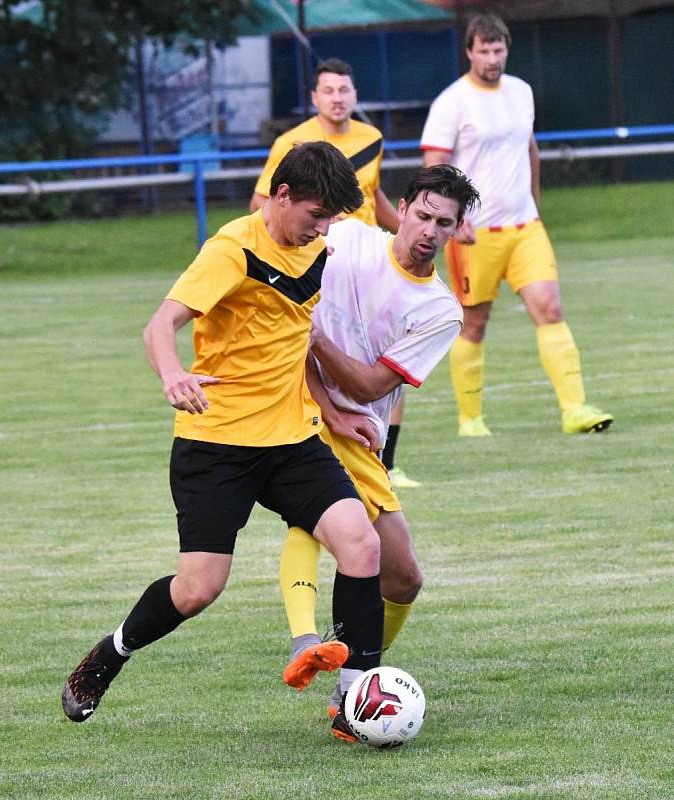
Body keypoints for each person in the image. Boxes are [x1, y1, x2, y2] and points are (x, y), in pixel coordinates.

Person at [61, 142, 385, 743]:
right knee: (198, 590)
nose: (323, 227)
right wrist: (173, 375)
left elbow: (299, 330)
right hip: (217, 443)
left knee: (362, 546)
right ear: (281, 195)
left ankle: (353, 702)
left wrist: (333, 409)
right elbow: (160, 326)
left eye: (331, 219)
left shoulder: (316, 246)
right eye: (316, 214)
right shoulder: (230, 250)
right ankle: (111, 652)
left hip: (291, 438)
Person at [278, 165, 480, 729]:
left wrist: (315, 338)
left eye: (444, 223)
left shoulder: (441, 311)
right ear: (403, 207)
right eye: (422, 215)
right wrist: (322, 388)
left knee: (404, 577)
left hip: (355, 424)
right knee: (318, 524)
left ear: (456, 229)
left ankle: (358, 678)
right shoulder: (345, 239)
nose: (429, 230)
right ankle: (311, 648)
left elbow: (368, 386)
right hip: (293, 402)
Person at [420, 14, 613, 437]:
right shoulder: (452, 102)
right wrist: (453, 220)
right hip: (475, 235)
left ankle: (575, 409)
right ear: (469, 51)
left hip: (525, 227)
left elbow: (530, 150)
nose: (492, 58)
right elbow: (435, 166)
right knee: (474, 322)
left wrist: (536, 208)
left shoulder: (521, 92)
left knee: (550, 308)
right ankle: (471, 419)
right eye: (484, 50)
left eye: (498, 49)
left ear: (507, 49)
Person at [251, 56, 418, 488]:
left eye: (344, 90)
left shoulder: (372, 138)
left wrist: (411, 235)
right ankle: (315, 444)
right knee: (318, 351)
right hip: (319, 263)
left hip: (369, 266)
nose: (337, 98)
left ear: (355, 95)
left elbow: (375, 195)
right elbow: (262, 204)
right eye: (328, 91)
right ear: (314, 97)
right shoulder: (293, 142)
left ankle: (386, 459)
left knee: (386, 354)